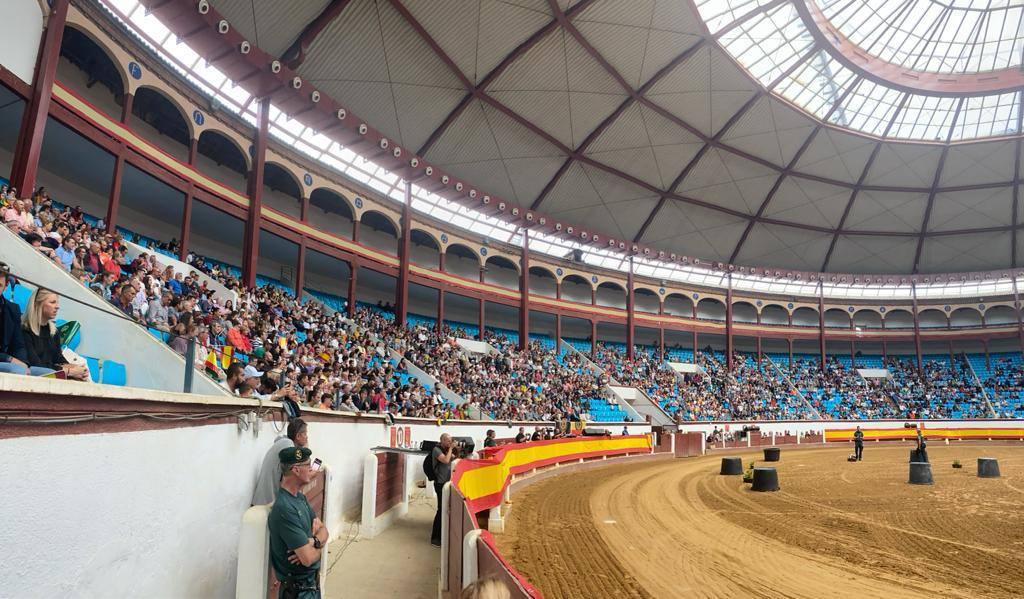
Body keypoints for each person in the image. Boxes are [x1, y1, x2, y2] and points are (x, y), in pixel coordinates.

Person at [268, 446, 327, 599]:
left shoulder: (300, 498)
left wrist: (314, 541)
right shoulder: (284, 508)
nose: (311, 469)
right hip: (298, 592)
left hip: (311, 588)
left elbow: (324, 530)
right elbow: (307, 559)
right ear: (296, 470)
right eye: (308, 465)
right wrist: (320, 545)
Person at [21, 288, 88, 380]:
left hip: (54, 377)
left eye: (57, 303)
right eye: (52, 302)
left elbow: (59, 359)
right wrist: (68, 371)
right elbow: (36, 364)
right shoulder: (25, 330)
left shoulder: (54, 332)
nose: (57, 306)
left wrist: (77, 369)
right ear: (38, 304)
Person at [0, 264, 52, 376]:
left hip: (7, 363)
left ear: (6, 286)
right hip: (6, 361)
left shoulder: (13, 309)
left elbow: (18, 345)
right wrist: (9, 359)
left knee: (51, 374)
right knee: (18, 370)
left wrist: (23, 363)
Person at [253, 418, 309, 505]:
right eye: (305, 433)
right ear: (298, 436)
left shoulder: (284, 442)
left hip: (266, 501)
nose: (307, 437)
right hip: (266, 503)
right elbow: (295, 476)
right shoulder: (288, 445)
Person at [430, 433, 457, 547]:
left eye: (450, 441)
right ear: (441, 440)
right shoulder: (437, 450)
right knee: (441, 509)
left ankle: (441, 535)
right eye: (447, 441)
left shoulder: (446, 450)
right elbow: (446, 461)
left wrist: (456, 449)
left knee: (445, 509)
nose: (449, 443)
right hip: (440, 483)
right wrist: (451, 449)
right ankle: (435, 538)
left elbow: (454, 459)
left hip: (446, 483)